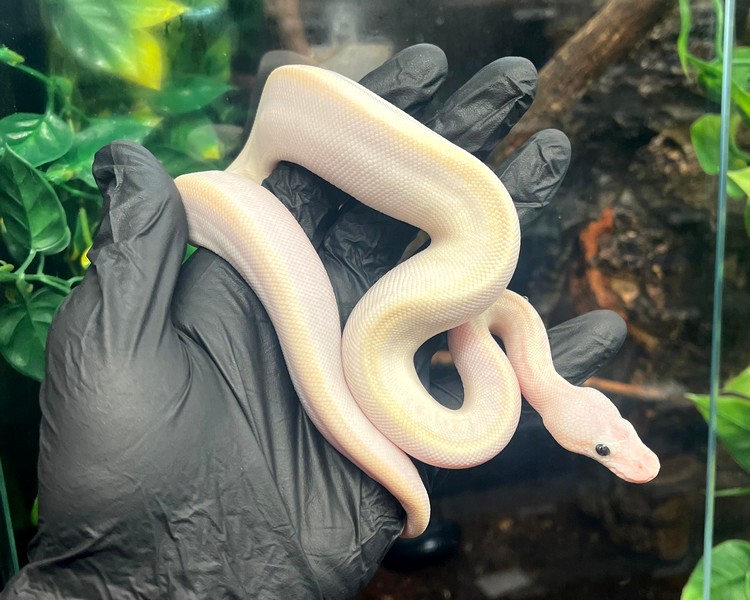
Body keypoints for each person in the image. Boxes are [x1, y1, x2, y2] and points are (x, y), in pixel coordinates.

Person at [1, 44, 625, 599]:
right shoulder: (484, 309)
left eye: (604, 448)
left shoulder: (486, 327)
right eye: (603, 445)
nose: (612, 455)